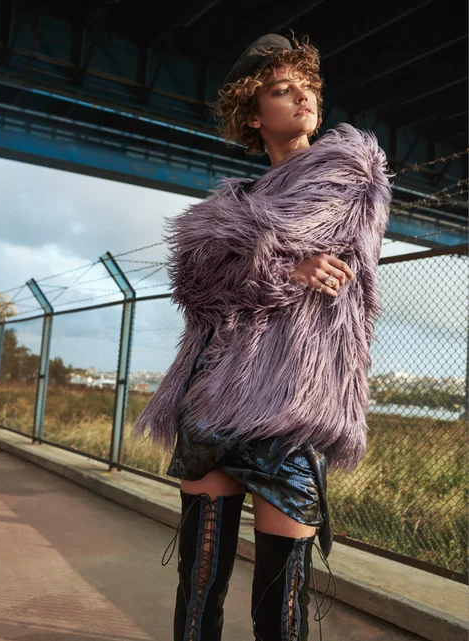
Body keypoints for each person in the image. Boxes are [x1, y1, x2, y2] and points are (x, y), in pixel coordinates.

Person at [132, 32, 391, 641]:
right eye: (281, 89)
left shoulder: (348, 170)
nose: (302, 96)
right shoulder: (234, 204)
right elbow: (194, 283)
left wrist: (246, 254)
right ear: (254, 114)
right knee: (199, 584)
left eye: (307, 86)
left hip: (288, 406)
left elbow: (267, 251)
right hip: (213, 400)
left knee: (280, 603)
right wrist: (281, 267)